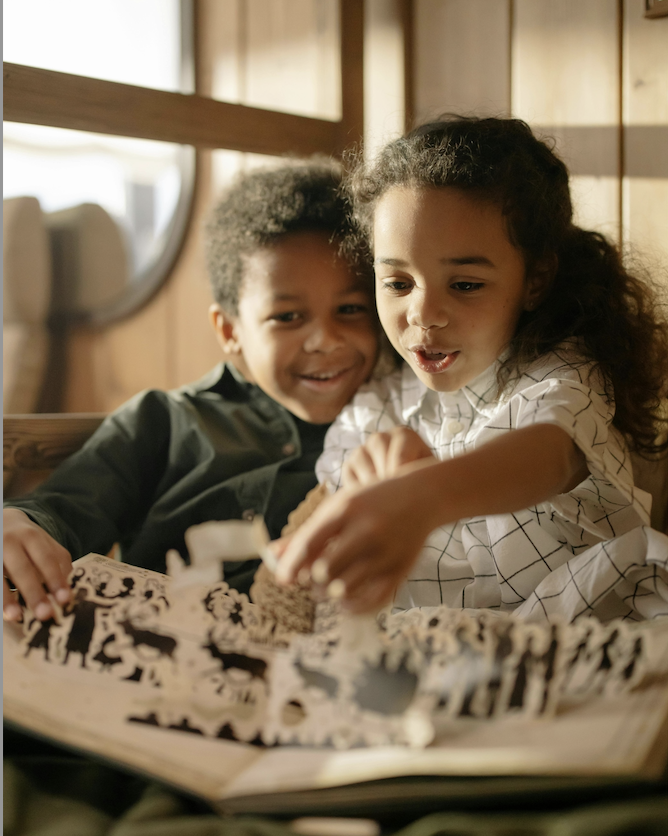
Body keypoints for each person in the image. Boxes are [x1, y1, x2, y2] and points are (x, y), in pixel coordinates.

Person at [276, 116, 668, 623]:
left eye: (464, 284)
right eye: (397, 283)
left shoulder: (562, 373)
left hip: (577, 653)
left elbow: (548, 454)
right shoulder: (379, 402)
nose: (423, 313)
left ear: (535, 279)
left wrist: (422, 496)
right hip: (426, 672)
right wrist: (363, 486)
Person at [3, 160, 379, 624]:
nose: (326, 339)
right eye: (287, 317)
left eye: (351, 308)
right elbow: (64, 508)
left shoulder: (399, 418)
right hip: (170, 660)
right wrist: (20, 524)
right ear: (230, 329)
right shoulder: (165, 419)